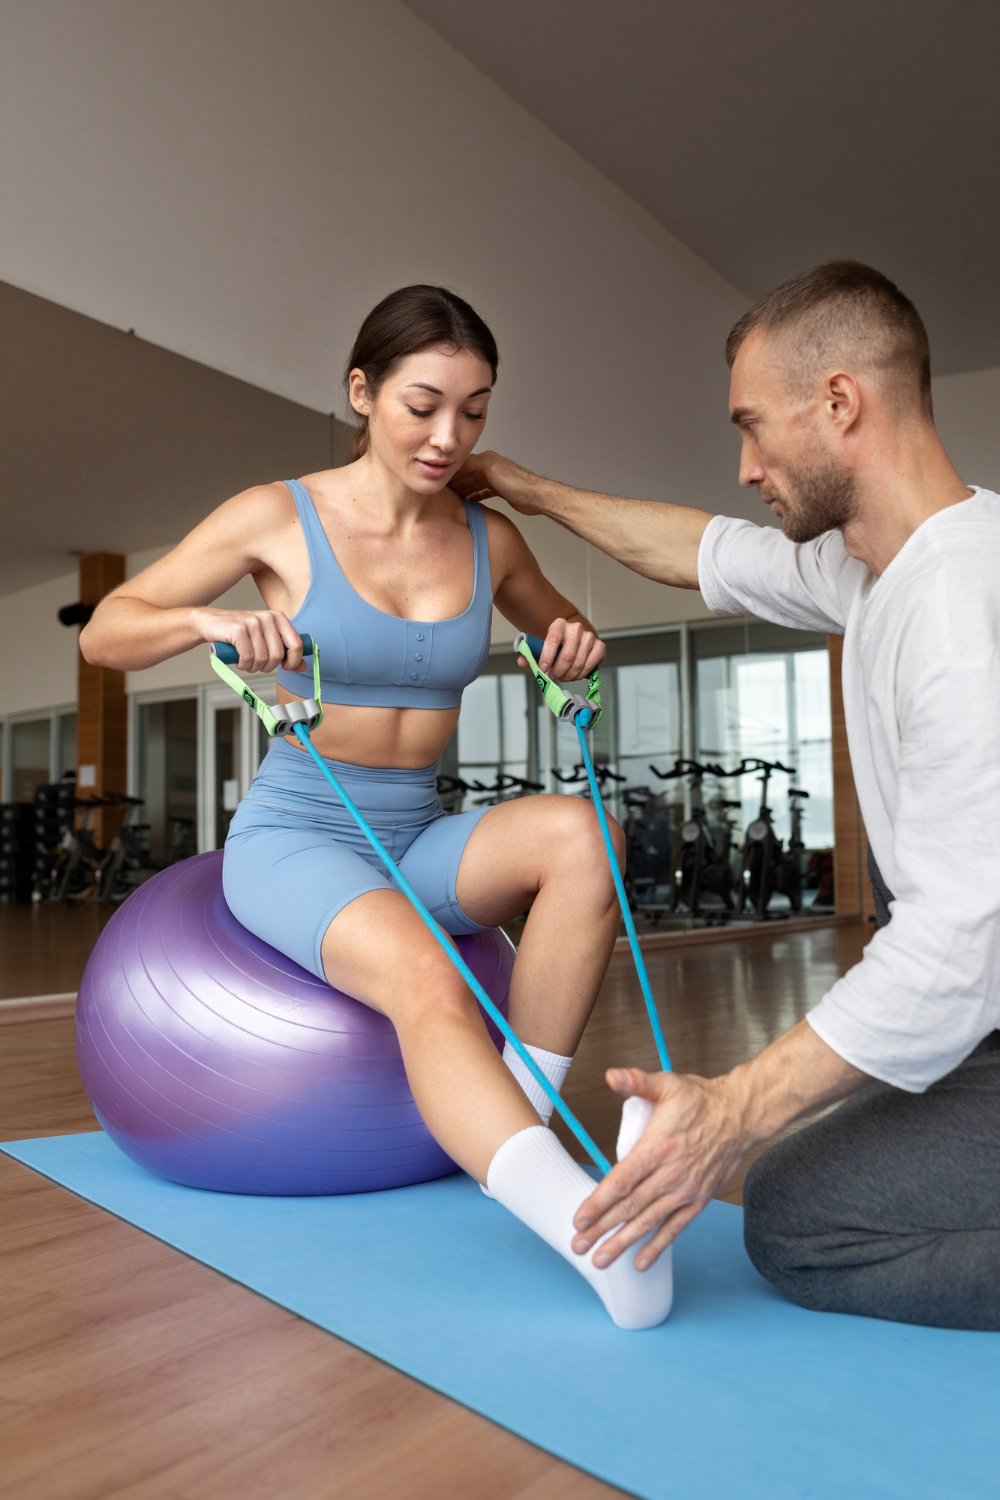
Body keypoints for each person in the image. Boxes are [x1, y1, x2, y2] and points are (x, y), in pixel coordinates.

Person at [81, 284, 673, 1330]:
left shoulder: (488, 541)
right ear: (361, 393)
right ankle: (595, 1236)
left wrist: (572, 649)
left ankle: (516, 1141)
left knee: (586, 835)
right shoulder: (278, 515)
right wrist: (207, 621)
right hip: (300, 833)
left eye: (475, 410)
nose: (449, 436)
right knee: (427, 979)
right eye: (422, 404)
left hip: (416, 830)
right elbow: (106, 634)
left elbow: (563, 642)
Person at [453, 261, 1000, 1330]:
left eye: (754, 427)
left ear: (840, 402)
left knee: (796, 1221)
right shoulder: (875, 566)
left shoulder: (956, 615)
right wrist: (525, 489)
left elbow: (958, 946)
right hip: (980, 1013)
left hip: (982, 987)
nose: (745, 467)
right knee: (809, 1160)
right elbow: (696, 551)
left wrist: (731, 1110)